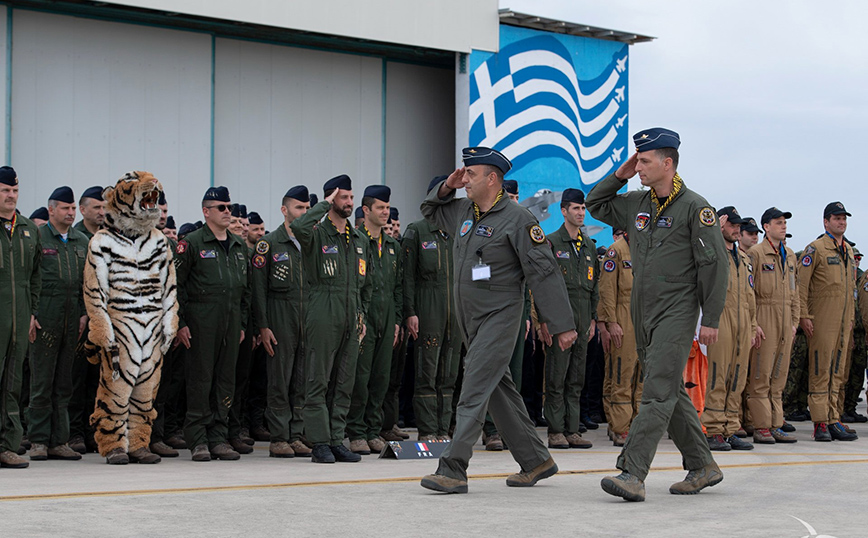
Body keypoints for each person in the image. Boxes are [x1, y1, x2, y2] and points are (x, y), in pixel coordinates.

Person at [419, 147, 576, 494]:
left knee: (474, 386)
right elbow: (429, 209)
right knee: (498, 391)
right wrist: (447, 185)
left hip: (500, 315)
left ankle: (453, 467)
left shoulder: (518, 220)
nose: (465, 179)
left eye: (471, 175)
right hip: (470, 320)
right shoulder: (462, 210)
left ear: (493, 179)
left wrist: (561, 324)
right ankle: (536, 460)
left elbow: (544, 273)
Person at [586, 128, 728, 502]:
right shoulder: (637, 204)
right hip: (642, 311)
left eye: (645, 161)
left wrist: (710, 319)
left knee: (654, 391)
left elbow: (714, 267)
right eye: (637, 160)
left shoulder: (697, 208)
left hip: (678, 311)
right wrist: (621, 175)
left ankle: (632, 471)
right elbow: (595, 204)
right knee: (668, 390)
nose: (640, 167)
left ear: (668, 163)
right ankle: (702, 464)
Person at [291, 174, 373, 464]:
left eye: (351, 197)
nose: (349, 202)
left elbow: (366, 284)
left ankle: (337, 439)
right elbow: (297, 225)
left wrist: (361, 315)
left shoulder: (359, 238)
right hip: (323, 310)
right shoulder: (316, 233)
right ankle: (319, 442)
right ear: (330, 200)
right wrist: (321, 206)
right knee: (318, 380)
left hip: (351, 314)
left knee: (344, 382)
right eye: (343, 197)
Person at [174, 186, 251, 461]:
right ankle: (198, 438)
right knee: (200, 379)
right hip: (201, 320)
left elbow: (246, 291)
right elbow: (177, 286)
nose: (228, 212)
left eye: (229, 207)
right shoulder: (192, 243)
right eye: (221, 207)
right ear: (206, 212)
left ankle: (219, 436)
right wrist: (180, 322)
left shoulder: (240, 245)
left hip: (230, 321)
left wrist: (241, 323)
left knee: (225, 380)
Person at [28, 187, 89, 462]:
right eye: (65, 208)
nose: (70, 213)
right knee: (42, 381)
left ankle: (59, 440)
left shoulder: (80, 240)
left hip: (71, 318)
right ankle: (39, 440)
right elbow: (30, 279)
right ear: (51, 209)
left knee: (65, 382)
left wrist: (84, 314)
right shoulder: (38, 238)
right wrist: (32, 313)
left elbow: (86, 284)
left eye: (73, 208)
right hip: (45, 318)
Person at [252, 186, 312, 457]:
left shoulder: (312, 242)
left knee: (302, 379)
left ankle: (296, 434)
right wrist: (262, 326)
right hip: (279, 316)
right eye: (299, 208)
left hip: (307, 318)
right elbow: (258, 289)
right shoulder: (270, 243)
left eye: (307, 208)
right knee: (280, 379)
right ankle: (279, 436)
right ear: (284, 210)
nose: (304, 213)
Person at [541, 188, 598, 450]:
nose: (580, 213)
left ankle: (572, 429)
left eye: (583, 208)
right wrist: (545, 321)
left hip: (583, 319)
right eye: (575, 208)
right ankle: (555, 430)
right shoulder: (552, 242)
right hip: (560, 321)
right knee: (557, 376)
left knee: (576, 377)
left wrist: (594, 319)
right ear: (563, 211)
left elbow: (594, 286)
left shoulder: (588, 246)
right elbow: (544, 285)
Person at [347, 185, 402, 455]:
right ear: (366, 210)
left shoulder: (392, 246)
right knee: (361, 376)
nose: (385, 213)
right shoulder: (355, 241)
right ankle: (356, 431)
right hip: (363, 317)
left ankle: (373, 430)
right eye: (380, 208)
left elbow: (398, 287)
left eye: (387, 208)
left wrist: (397, 320)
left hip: (387, 314)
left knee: (381, 376)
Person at [404, 176, 459, 442]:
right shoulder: (417, 231)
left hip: (456, 314)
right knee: (427, 371)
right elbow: (407, 278)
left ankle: (443, 429)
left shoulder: (460, 232)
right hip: (428, 310)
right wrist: (410, 311)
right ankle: (427, 430)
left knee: (449, 374)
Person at [798, 202, 858, 441]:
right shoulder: (815, 249)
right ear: (826, 222)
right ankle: (821, 421)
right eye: (836, 218)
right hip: (822, 319)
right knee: (821, 369)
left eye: (844, 218)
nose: (841, 222)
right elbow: (802, 285)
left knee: (838, 371)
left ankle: (834, 417)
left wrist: (851, 320)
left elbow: (850, 289)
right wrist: (804, 315)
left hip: (844, 320)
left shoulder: (848, 251)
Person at [699, 206, 756, 451]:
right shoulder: (712, 252)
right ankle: (712, 429)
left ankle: (730, 428)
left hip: (743, 322)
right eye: (732, 225)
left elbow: (750, 296)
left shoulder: (744, 258)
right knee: (718, 375)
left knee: (737, 377)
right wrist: (712, 232)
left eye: (738, 225)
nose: (737, 229)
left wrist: (752, 326)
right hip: (720, 321)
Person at [745, 207, 800, 444]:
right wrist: (753, 323)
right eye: (778, 223)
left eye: (784, 223)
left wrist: (795, 321)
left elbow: (794, 290)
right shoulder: (756, 254)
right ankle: (761, 426)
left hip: (785, 318)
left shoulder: (789, 255)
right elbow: (748, 292)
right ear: (766, 226)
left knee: (779, 375)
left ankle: (776, 423)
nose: (783, 226)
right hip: (764, 315)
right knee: (761, 375)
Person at [0, 165, 42, 469]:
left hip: (18, 319)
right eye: (5, 190)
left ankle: (8, 445)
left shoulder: (28, 230)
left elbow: (36, 275)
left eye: (14, 190)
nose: (10, 195)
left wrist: (32, 313)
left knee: (13, 385)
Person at [598, 231, 643, 446]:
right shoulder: (616, 251)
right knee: (621, 373)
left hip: (645, 317)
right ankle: (620, 427)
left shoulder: (648, 247)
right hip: (623, 314)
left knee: (641, 377)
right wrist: (611, 322)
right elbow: (606, 289)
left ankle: (637, 424)